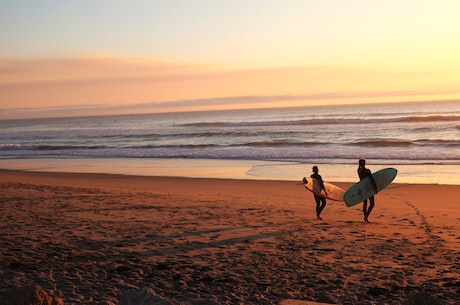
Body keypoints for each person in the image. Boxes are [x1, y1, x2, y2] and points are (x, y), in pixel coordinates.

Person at [358, 158, 378, 223]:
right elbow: (371, 180)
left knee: (365, 203)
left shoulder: (358, 170)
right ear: (365, 163)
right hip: (368, 188)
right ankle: (366, 216)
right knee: (372, 204)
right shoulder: (367, 171)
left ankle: (365, 217)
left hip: (362, 188)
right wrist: (375, 188)